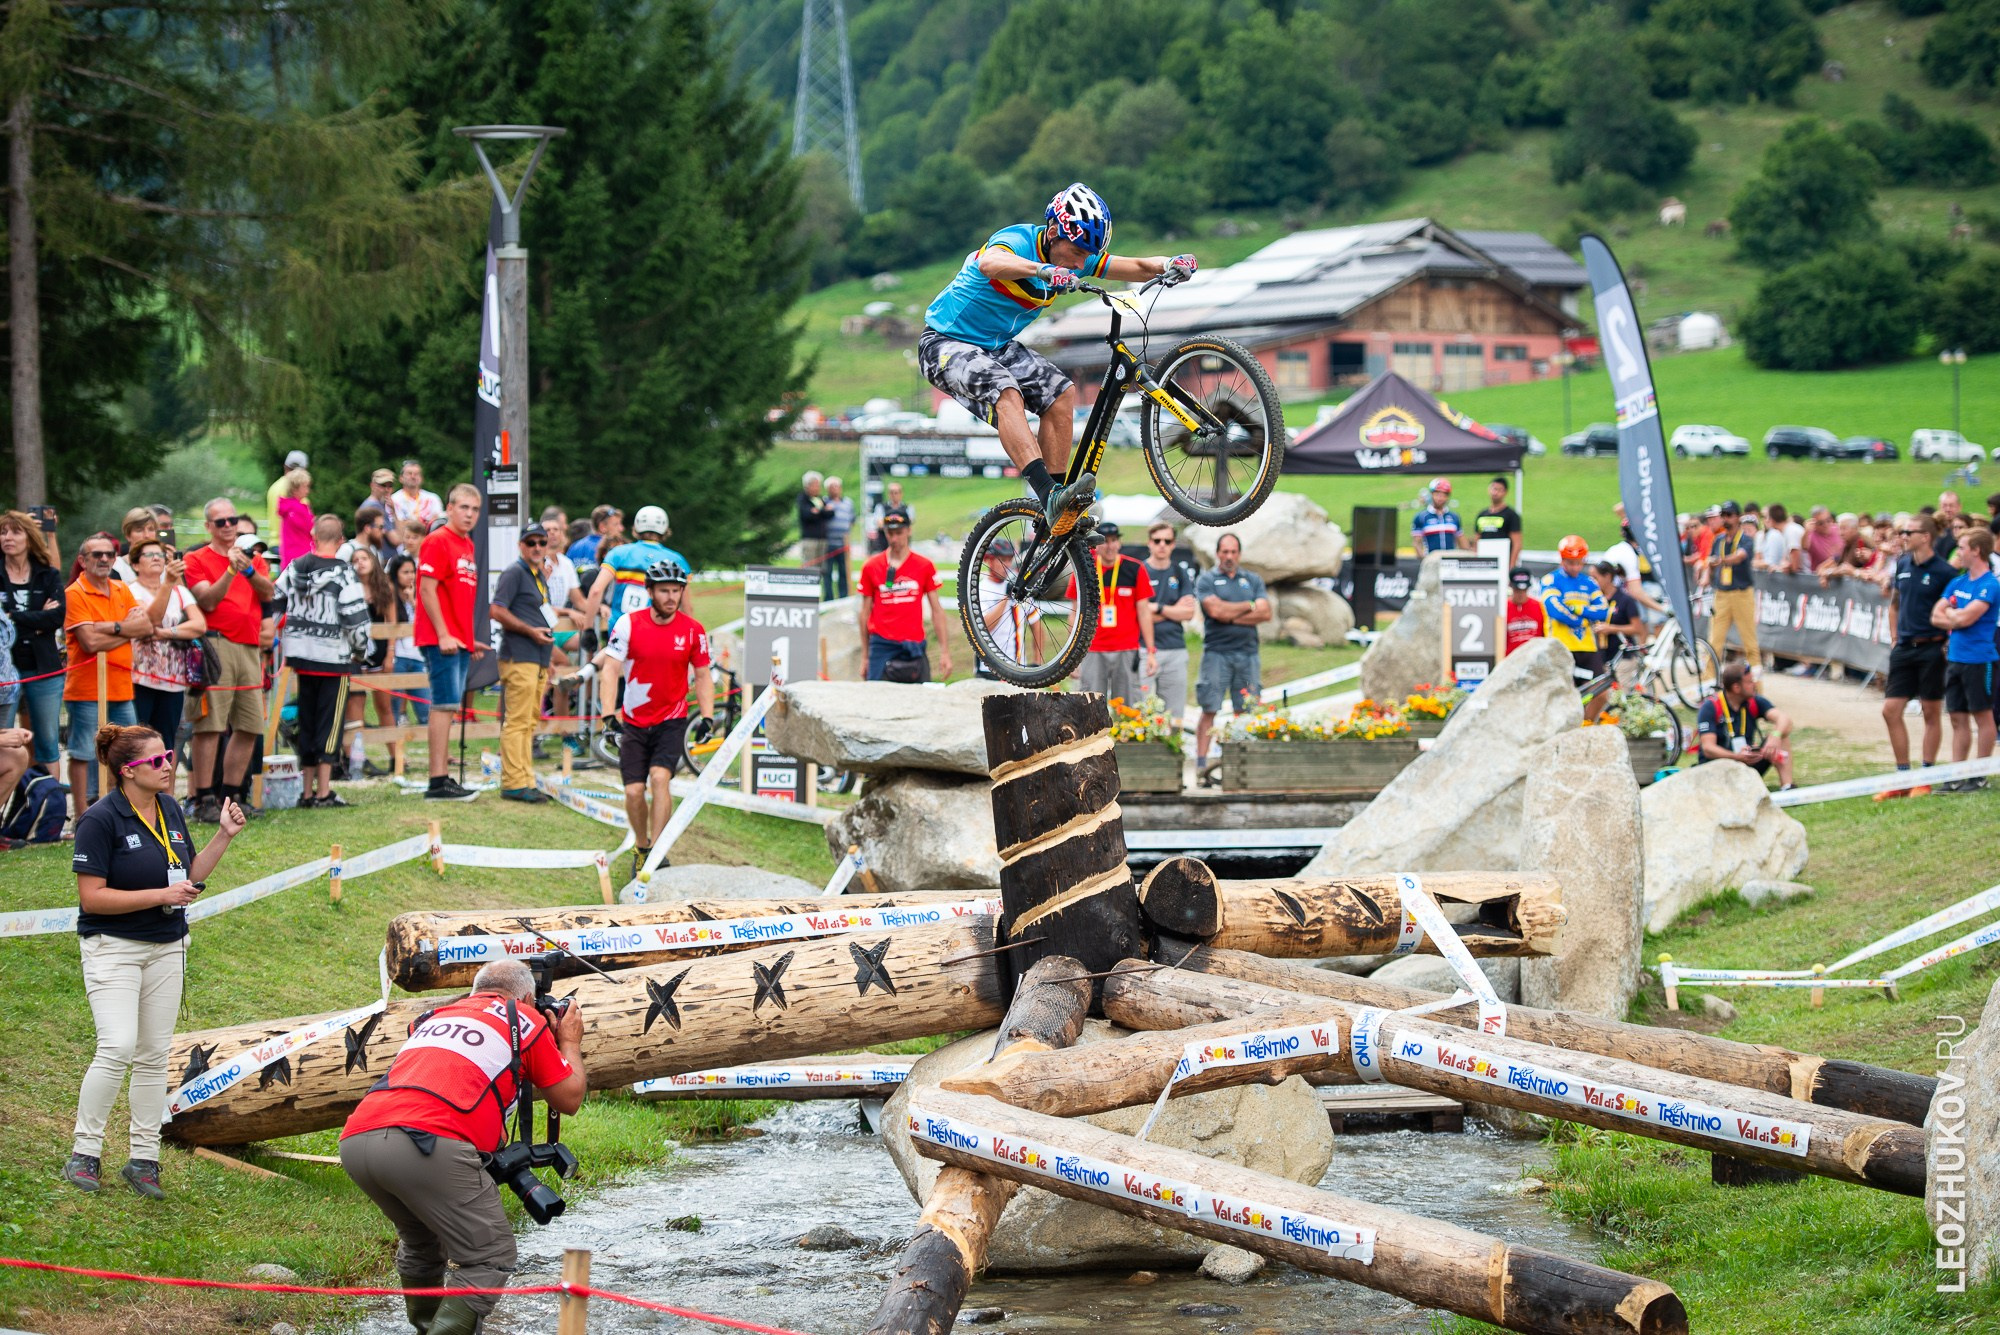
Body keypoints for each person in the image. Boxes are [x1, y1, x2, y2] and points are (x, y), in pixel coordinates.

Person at [921, 181, 1190, 534]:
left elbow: (1136, 265)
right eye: (1076, 252)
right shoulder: (1019, 240)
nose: (1079, 263)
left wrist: (1169, 263)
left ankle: (1058, 505)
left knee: (1061, 393)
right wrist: (1042, 270)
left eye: (1086, 255)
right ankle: (1047, 493)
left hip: (995, 346)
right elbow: (989, 262)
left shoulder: (1076, 258)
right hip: (944, 342)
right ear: (1052, 234)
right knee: (1006, 391)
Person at [339, 957, 585, 1335]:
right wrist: (568, 1041)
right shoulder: (523, 1018)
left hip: (357, 1140)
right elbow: (569, 1098)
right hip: (426, 1143)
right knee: (491, 1255)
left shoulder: (433, 1017)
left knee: (422, 1243)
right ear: (526, 998)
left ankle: (426, 1327)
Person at [63, 725, 245, 1199]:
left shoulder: (169, 808)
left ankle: (144, 1159)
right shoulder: (99, 819)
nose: (169, 765)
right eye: (157, 760)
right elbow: (92, 898)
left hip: (168, 946)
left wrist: (223, 836)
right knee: (117, 1046)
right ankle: (85, 1151)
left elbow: (189, 874)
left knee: (152, 1055)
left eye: (168, 755)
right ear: (128, 771)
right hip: (114, 947)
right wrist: (160, 896)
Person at [594, 560, 715, 879]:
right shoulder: (629, 625)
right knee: (634, 792)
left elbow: (703, 675)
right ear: (650, 592)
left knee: (660, 778)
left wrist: (707, 717)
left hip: (671, 719)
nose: (671, 597)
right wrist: (608, 714)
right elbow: (610, 669)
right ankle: (642, 845)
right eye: (664, 591)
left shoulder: (693, 630)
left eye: (676, 590)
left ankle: (658, 850)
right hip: (634, 721)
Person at [184, 499, 275, 824]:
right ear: (208, 526)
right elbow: (207, 600)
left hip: (249, 646)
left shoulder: (254, 559)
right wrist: (230, 570)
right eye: (220, 521)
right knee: (210, 724)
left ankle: (232, 794)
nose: (227, 526)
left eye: (231, 520)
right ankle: (204, 796)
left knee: (250, 724)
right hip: (215, 643)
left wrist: (247, 568)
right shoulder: (195, 558)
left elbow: (268, 593)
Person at [274, 514, 372, 808]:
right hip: (333, 660)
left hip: (301, 657)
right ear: (341, 541)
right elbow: (356, 618)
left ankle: (306, 792)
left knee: (307, 721)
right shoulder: (343, 573)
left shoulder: (295, 567)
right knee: (330, 725)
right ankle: (323, 792)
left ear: (313, 537)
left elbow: (274, 599)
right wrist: (361, 651)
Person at [65, 535, 153, 819]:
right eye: (96, 555)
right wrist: (125, 629)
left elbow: (145, 627)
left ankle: (121, 813)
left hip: (121, 687)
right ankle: (82, 815)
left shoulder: (121, 588)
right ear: (82, 561)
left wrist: (107, 627)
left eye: (109, 554)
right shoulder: (74, 593)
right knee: (83, 752)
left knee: (127, 752)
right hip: (85, 688)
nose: (104, 559)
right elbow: (89, 642)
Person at [1878, 513, 1955, 801]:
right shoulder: (1902, 564)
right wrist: (1894, 637)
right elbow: (1894, 604)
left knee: (1930, 712)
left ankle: (1925, 776)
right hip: (1904, 648)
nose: (1904, 536)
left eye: (1909, 532)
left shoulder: (1945, 572)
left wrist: (1947, 642)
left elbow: (1952, 611)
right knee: (1890, 710)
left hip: (1931, 648)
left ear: (1925, 536)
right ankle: (1902, 777)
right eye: (1903, 532)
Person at [415, 485, 484, 801]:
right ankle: (437, 780)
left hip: (458, 639)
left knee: (450, 706)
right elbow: (426, 590)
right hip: (439, 638)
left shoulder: (466, 544)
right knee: (443, 706)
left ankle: (443, 777)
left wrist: (469, 640)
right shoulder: (438, 540)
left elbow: (457, 597)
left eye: (475, 509)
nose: (469, 514)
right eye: (464, 507)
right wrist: (443, 633)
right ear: (450, 508)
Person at [490, 525, 558, 804]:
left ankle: (526, 779)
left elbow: (542, 614)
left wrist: (548, 658)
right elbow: (496, 609)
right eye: (531, 542)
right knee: (517, 722)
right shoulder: (514, 572)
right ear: (521, 545)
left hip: (537, 658)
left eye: (542, 542)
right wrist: (530, 632)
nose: (537, 547)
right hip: (519, 656)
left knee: (529, 722)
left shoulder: (537, 575)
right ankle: (513, 783)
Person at [1194, 533, 1270, 776]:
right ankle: (1201, 765)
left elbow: (1266, 613)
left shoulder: (1252, 579)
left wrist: (1229, 614)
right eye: (1224, 551)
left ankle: (1243, 766)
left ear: (1239, 554)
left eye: (1233, 552)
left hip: (1248, 654)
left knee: (1246, 710)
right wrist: (1249, 606)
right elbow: (1216, 612)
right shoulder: (1207, 580)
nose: (1229, 556)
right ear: (1218, 553)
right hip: (1216, 653)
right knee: (1209, 708)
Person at [1933, 526, 1999, 793]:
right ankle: (1956, 774)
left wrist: (1953, 615)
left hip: (1979, 659)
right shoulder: (1958, 582)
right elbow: (1936, 616)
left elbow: (1966, 618)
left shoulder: (1990, 585)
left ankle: (1979, 775)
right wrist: (1955, 616)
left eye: (1961, 548)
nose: (1957, 552)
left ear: (1976, 550)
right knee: (1957, 717)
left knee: (1983, 716)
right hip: (1956, 658)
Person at [126, 538, 205, 759]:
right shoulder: (130, 591)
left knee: (167, 743)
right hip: (140, 679)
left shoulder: (180, 592)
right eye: (149, 555)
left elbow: (199, 625)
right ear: (135, 564)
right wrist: (168, 584)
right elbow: (152, 619)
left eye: (160, 555)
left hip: (173, 680)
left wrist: (165, 633)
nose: (156, 558)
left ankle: (165, 783)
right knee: (139, 742)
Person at [1, 510, 67, 774]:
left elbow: (56, 617)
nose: (7, 537)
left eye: (15, 532)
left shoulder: (47, 574)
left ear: (29, 538)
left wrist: (12, 617)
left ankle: (51, 799)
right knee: (4, 740)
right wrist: (37, 619)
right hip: (4, 671)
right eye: (3, 532)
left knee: (48, 742)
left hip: (43, 667)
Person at [860, 512, 952, 682]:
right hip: (882, 645)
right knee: (875, 696)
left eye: (899, 533)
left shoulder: (924, 565)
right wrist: (865, 656)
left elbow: (937, 611)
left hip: (914, 645)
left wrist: (944, 652)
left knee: (922, 696)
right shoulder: (871, 566)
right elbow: (864, 614)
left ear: (909, 531)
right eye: (890, 533)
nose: (894, 538)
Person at [1071, 525, 1156, 706]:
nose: (1109, 546)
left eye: (1113, 541)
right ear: (1095, 546)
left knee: (1127, 706)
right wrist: (1072, 656)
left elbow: (1144, 613)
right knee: (1090, 706)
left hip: (1126, 648)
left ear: (1119, 543)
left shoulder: (1135, 568)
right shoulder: (1084, 569)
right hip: (1092, 648)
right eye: (1104, 542)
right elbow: (1074, 613)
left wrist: (1150, 651)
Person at [343, 543, 399, 779]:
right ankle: (357, 760)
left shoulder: (384, 587)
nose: (360, 563)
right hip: (355, 655)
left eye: (364, 558)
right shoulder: (348, 588)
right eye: (355, 560)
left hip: (379, 654)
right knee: (355, 708)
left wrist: (390, 654)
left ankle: (396, 758)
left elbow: (392, 623)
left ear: (373, 561)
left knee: (384, 707)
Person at [586, 505, 686, 632]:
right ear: (665, 529)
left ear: (636, 528)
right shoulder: (677, 559)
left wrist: (588, 628)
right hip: (658, 631)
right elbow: (685, 606)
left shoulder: (618, 553)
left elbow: (596, 590)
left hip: (621, 630)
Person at [1695, 662, 1795, 789]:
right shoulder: (1711, 707)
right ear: (1736, 687)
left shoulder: (1753, 701)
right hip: (1717, 770)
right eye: (1749, 682)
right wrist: (1737, 757)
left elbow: (1785, 719)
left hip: (1746, 765)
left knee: (1782, 735)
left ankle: (1787, 787)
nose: (1755, 684)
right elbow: (1708, 748)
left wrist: (1775, 735)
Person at [1141, 520, 1198, 721]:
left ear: (1173, 544)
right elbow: (1136, 616)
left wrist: (1157, 608)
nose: (1162, 545)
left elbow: (1188, 613)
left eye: (1167, 541)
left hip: (1175, 649)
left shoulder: (1180, 572)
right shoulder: (1140, 571)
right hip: (1143, 650)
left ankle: (1174, 741)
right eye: (1157, 540)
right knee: (1140, 713)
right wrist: (1174, 609)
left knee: (1175, 716)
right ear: (1149, 543)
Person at [1538, 534, 1609, 695]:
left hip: (1587, 646)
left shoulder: (1589, 582)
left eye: (1579, 563)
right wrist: (1583, 620)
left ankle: (1587, 713)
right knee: (1565, 693)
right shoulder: (1550, 580)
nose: (1575, 567)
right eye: (1570, 563)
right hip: (1560, 646)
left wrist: (1576, 609)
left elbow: (1603, 611)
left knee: (1601, 693)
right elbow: (1555, 610)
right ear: (1562, 560)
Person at [971, 537, 1041, 677]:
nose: (1007, 565)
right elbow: (984, 627)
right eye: (1002, 560)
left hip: (1017, 668)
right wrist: (1005, 598)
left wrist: (1037, 661)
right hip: (988, 669)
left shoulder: (1017, 587)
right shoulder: (979, 590)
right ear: (989, 560)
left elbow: (1036, 623)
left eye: (1010, 560)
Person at [1706, 500, 1759, 667]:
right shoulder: (1719, 540)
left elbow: (1740, 556)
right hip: (1722, 594)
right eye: (1723, 515)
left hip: (1741, 593)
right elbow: (1711, 562)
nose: (1725, 519)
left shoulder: (1745, 539)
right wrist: (1708, 574)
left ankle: (1756, 677)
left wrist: (1721, 561)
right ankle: (1710, 677)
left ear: (1738, 517)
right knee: (1714, 640)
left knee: (1749, 640)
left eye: (1729, 515)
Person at [1602, 503, 1667, 617]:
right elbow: (1635, 591)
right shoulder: (1628, 554)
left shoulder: (1624, 549)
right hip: (1613, 598)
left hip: (1615, 594)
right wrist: (1663, 609)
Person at [1592, 560, 1646, 662]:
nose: (1592, 581)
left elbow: (1638, 629)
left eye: (1595, 578)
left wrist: (1611, 628)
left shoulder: (1625, 599)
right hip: (1599, 656)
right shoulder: (1593, 599)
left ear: (1607, 577)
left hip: (1623, 656)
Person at [1472, 475, 1523, 566]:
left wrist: (1511, 566)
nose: (1495, 493)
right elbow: (1477, 539)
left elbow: (1517, 543)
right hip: (1484, 563)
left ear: (1505, 492)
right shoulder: (1482, 515)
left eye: (1499, 490)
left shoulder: (1511, 515)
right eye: (1494, 489)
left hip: (1503, 561)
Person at [797, 471, 831, 593]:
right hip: (810, 539)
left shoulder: (820, 499)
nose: (818, 487)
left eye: (818, 485)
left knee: (822, 569)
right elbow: (807, 514)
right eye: (815, 485)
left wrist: (818, 511)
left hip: (822, 539)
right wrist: (822, 511)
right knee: (809, 568)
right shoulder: (803, 498)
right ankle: (807, 593)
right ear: (808, 486)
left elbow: (830, 513)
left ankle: (818, 593)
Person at [1411, 478, 1464, 554]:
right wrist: (1424, 558)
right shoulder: (1421, 517)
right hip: (1431, 559)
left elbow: (1461, 540)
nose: (1440, 498)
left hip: (1450, 559)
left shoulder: (1454, 517)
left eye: (1444, 495)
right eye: (1437, 494)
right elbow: (1417, 543)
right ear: (1431, 494)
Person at [387, 459, 443, 529]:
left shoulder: (433, 499)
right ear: (401, 478)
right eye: (409, 473)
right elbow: (394, 525)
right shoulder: (394, 500)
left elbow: (438, 522)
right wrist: (424, 523)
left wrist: (407, 523)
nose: (413, 476)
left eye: (416, 474)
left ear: (422, 478)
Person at [275, 468, 314, 568]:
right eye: (305, 486)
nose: (307, 490)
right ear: (295, 488)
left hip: (289, 555)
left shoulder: (287, 507)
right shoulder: (297, 509)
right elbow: (312, 529)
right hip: (302, 556)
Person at [824, 476, 855, 601]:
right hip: (828, 543)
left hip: (843, 543)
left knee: (844, 571)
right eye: (832, 487)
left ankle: (843, 597)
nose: (835, 489)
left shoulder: (848, 502)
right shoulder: (824, 501)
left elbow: (852, 519)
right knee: (827, 572)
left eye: (837, 486)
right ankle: (829, 598)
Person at [1503, 566, 1545, 656]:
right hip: (1511, 659)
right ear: (1511, 586)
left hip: (1534, 657)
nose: (1521, 594)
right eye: (1517, 590)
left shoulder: (1539, 606)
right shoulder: (1503, 608)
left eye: (1524, 590)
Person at [110, 508, 158, 583]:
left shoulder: (164, 566)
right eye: (139, 530)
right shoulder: (116, 566)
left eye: (151, 529)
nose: (147, 535)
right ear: (128, 535)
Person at [265, 449, 309, 526]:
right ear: (304, 470)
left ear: (285, 467)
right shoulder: (298, 489)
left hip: (274, 534)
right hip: (292, 534)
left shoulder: (274, 487)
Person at [1753, 502, 1798, 574]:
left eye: (1766, 517)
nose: (1766, 520)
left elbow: (1794, 566)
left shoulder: (1789, 531)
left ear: (1772, 519)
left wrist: (1779, 568)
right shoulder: (1785, 531)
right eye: (1762, 517)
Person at [1801, 506, 1843, 573]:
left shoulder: (1838, 529)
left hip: (1841, 573)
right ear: (1814, 523)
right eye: (1821, 523)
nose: (1826, 525)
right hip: (1820, 575)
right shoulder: (1811, 535)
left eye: (1828, 520)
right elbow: (1804, 547)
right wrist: (1806, 531)